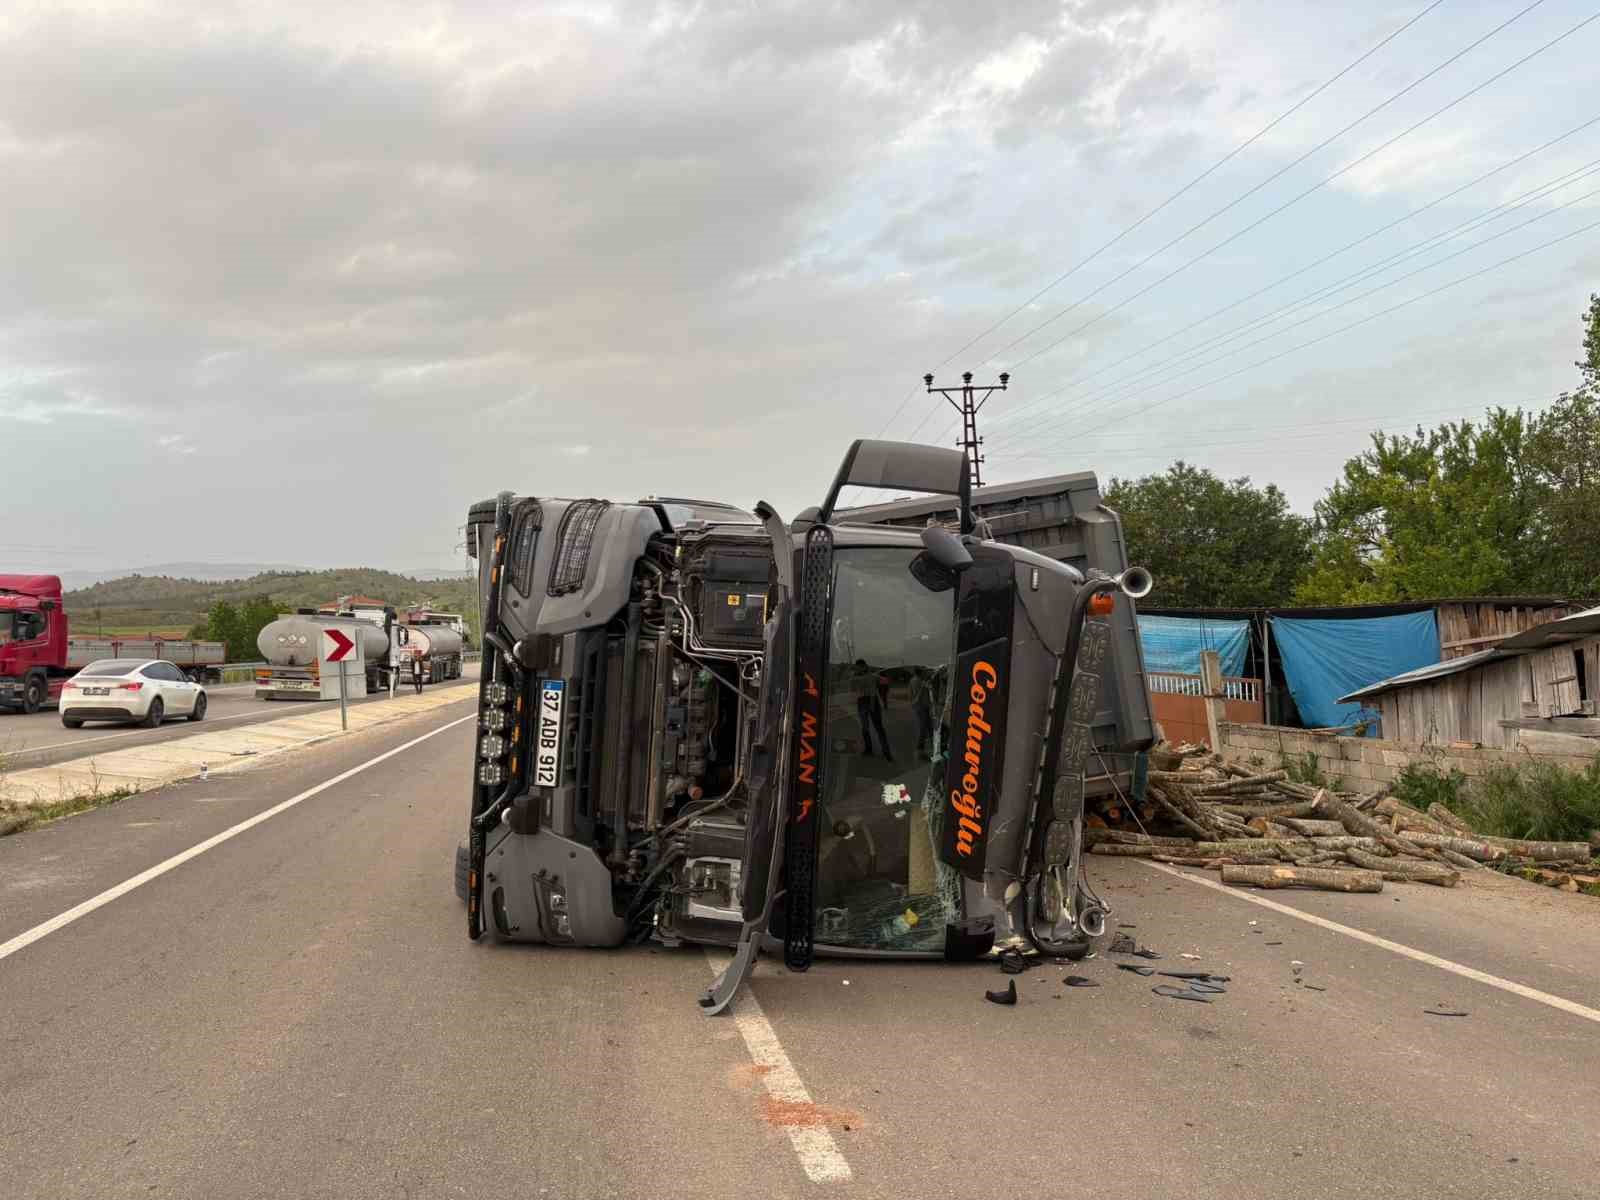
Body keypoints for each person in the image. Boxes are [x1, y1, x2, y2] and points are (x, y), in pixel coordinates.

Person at [852, 658, 893, 761]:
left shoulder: (868, 676)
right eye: (858, 668)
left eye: (859, 667)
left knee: (874, 727)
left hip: (868, 701)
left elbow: (884, 681)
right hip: (866, 701)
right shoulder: (864, 677)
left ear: (863, 666)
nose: (858, 669)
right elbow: (853, 688)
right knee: (870, 727)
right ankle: (878, 750)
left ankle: (882, 750)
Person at [910, 667, 934, 760]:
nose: (926, 673)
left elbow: (911, 694)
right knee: (924, 728)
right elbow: (919, 694)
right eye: (925, 672)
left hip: (921, 707)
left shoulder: (914, 680)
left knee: (928, 727)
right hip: (922, 707)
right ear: (921, 673)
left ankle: (932, 748)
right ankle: (920, 750)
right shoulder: (919, 681)